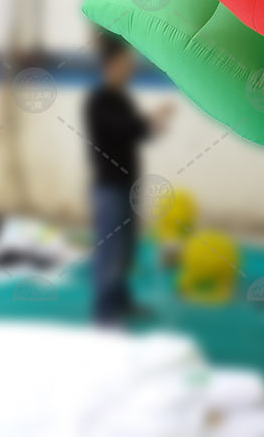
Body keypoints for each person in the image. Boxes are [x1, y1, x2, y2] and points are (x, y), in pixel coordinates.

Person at [84, 38, 174, 325]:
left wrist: (153, 124)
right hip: (109, 188)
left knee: (125, 248)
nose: (129, 67)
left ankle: (121, 300)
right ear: (111, 65)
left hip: (126, 185)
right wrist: (150, 119)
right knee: (110, 250)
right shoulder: (99, 101)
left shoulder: (122, 99)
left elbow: (136, 133)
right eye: (124, 62)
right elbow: (121, 130)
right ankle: (105, 311)